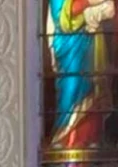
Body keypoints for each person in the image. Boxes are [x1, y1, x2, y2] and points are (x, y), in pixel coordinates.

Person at [46, 0, 115, 148]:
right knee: (73, 86)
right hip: (69, 44)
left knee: (94, 88)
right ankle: (66, 138)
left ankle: (92, 139)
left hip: (93, 41)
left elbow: (110, 9)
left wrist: (96, 9)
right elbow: (63, 17)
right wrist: (91, 3)